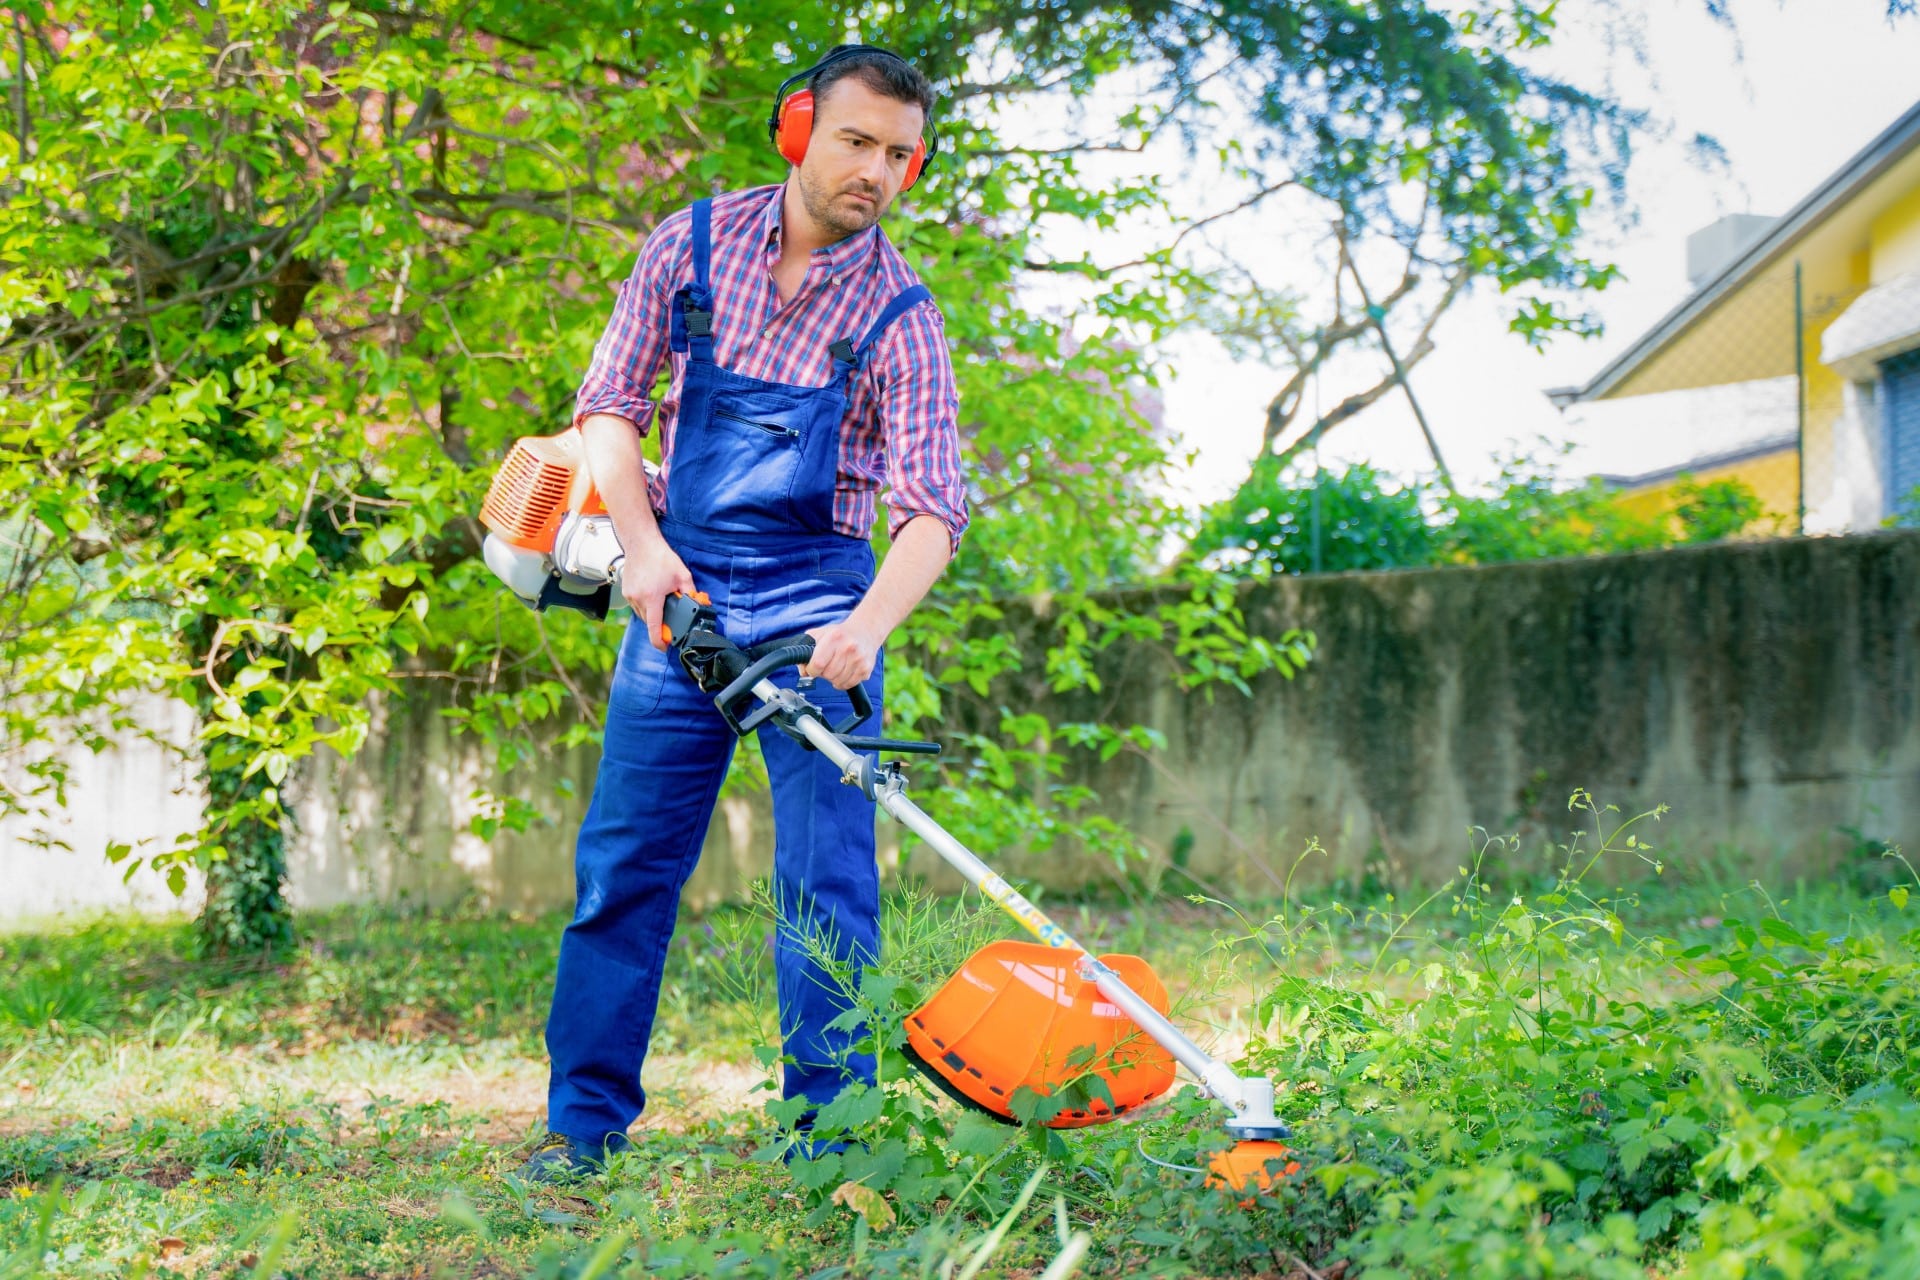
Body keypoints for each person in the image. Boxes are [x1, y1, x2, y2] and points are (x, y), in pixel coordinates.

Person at [525, 44, 969, 1179]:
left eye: (899, 155)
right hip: (681, 592)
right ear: (799, 129)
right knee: (623, 868)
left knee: (830, 881)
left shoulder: (902, 315)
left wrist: (867, 625)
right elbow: (610, 405)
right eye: (857, 140)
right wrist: (641, 550)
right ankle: (579, 1130)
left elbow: (930, 511)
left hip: (823, 606)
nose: (876, 170)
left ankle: (832, 1141)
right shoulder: (692, 244)